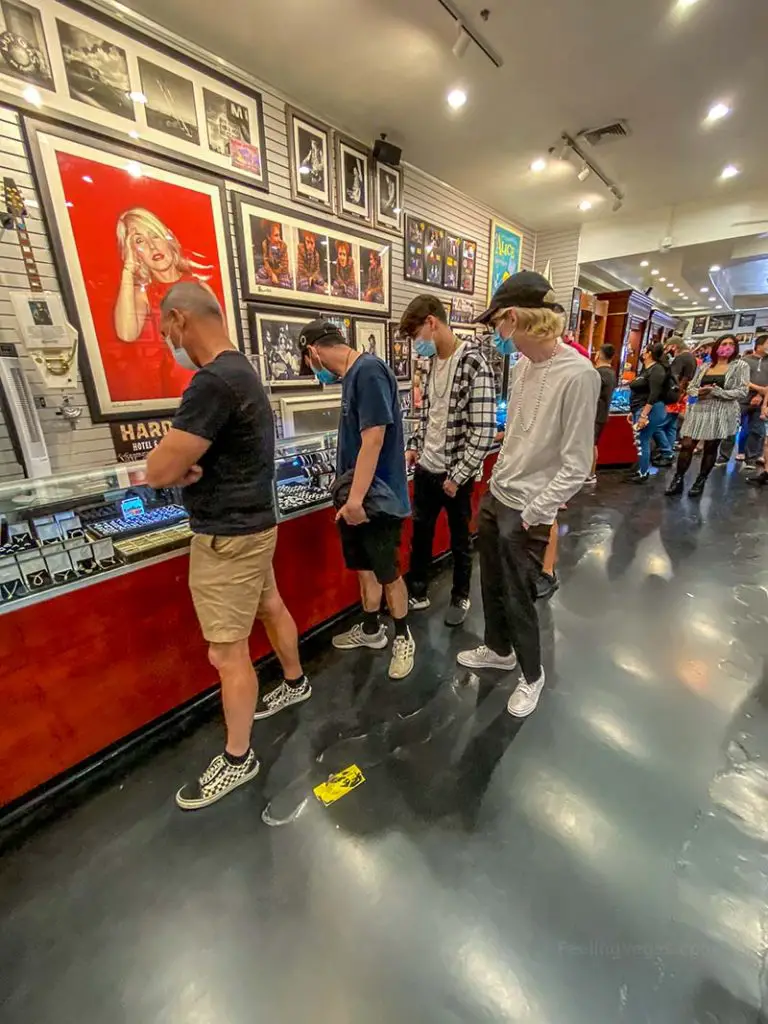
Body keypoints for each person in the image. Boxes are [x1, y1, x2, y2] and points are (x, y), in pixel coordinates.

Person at [146, 281, 308, 810]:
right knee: (270, 604)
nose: (166, 336)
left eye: (164, 326)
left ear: (178, 319)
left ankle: (239, 759)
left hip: (226, 538)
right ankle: (294, 681)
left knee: (226, 652)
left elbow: (159, 470)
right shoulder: (243, 371)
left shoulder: (211, 382)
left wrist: (181, 470)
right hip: (257, 524)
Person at [457, 271, 599, 717]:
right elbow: (516, 434)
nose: (496, 332)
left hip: (528, 506)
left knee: (521, 595)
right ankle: (498, 650)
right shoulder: (520, 367)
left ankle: (532, 675)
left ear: (513, 317)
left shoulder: (579, 376)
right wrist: (495, 481)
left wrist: (534, 511)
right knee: (491, 582)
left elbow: (577, 464)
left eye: (497, 322)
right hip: (498, 493)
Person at [299, 320, 415, 679]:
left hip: (376, 499)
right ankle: (370, 630)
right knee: (365, 568)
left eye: (308, 360)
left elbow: (374, 440)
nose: (311, 367)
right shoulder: (353, 376)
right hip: (357, 496)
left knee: (387, 571)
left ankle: (403, 638)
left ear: (313, 351)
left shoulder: (368, 372)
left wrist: (356, 502)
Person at [400, 294, 496, 626]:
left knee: (460, 540)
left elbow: (483, 430)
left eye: (416, 335)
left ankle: (461, 595)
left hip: (457, 473)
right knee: (421, 535)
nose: (417, 345)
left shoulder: (473, 362)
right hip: (427, 468)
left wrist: (459, 475)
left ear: (431, 322)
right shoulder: (427, 364)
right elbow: (423, 413)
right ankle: (418, 590)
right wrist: (414, 444)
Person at [113, 207, 216, 397]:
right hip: (171, 389)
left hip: (208, 384)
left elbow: (222, 344)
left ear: (167, 238)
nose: (152, 246)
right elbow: (127, 333)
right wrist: (127, 271)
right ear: (134, 252)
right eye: (139, 241)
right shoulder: (142, 294)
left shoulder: (200, 288)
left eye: (155, 236)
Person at [665, 336, 749, 498]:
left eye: (731, 344)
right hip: (699, 409)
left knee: (710, 448)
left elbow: (742, 391)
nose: (727, 347)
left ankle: (700, 481)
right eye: (724, 344)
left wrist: (718, 392)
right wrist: (699, 391)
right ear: (717, 347)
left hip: (721, 411)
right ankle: (678, 479)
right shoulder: (706, 366)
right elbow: (692, 387)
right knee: (687, 444)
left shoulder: (740, 366)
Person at [716, 333, 768, 467]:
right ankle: (724, 456)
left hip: (761, 401)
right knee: (731, 428)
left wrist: (760, 395)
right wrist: (759, 389)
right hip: (741, 399)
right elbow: (741, 380)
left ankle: (750, 458)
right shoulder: (744, 361)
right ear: (759, 345)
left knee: (757, 431)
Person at [627, 341, 669, 483]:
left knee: (643, 440)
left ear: (649, 353)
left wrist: (643, 415)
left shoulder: (656, 370)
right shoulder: (647, 369)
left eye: (644, 349)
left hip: (650, 410)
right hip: (640, 408)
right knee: (641, 440)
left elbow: (654, 394)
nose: (642, 352)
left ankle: (643, 472)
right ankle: (641, 469)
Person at [654, 336, 697, 462]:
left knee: (659, 426)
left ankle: (666, 452)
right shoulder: (691, 358)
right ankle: (668, 451)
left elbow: (675, 378)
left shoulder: (681, 358)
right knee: (671, 426)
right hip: (682, 396)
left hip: (674, 396)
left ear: (674, 346)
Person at [585, 342, 617, 483]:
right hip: (601, 414)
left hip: (595, 414)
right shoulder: (611, 373)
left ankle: (590, 474)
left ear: (599, 355)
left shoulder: (599, 374)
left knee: (591, 445)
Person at [257, 221, 293, 289]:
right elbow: (266, 261)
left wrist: (276, 274)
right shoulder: (265, 244)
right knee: (260, 273)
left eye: (279, 235)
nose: (279, 239)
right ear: (269, 237)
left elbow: (285, 265)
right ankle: (270, 282)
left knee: (286, 285)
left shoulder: (283, 245)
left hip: (281, 272)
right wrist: (272, 274)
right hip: (270, 270)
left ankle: (271, 283)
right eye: (276, 235)